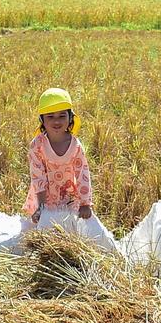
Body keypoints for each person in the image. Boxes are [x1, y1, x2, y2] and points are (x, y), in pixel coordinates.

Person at [23, 87, 117, 251]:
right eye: (50, 116)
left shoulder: (75, 146)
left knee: (70, 233)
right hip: (44, 196)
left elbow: (83, 174)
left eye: (62, 116)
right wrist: (41, 207)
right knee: (44, 234)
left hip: (68, 194)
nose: (56, 121)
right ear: (42, 120)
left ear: (70, 117)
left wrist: (85, 203)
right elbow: (37, 177)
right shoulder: (36, 145)